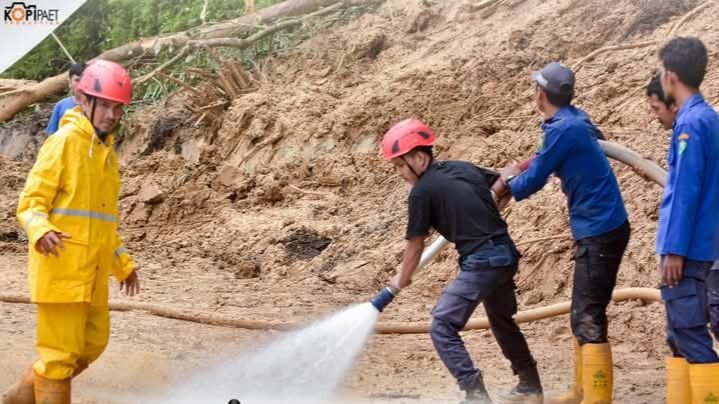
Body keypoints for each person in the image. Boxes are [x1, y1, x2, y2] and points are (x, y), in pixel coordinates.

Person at [2, 60, 140, 404]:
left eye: (117, 107)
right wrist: (40, 229)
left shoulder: (106, 155)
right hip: (61, 269)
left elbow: (103, 222)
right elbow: (31, 202)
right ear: (85, 101)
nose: (111, 114)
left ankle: (20, 397)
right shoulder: (63, 142)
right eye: (105, 105)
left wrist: (123, 264)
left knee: (94, 344)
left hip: (92, 274)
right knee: (60, 357)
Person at [494, 62, 630, 404]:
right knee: (581, 312)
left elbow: (536, 177)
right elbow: (572, 143)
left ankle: (596, 398)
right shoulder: (573, 120)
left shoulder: (563, 130)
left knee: (588, 316)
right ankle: (580, 392)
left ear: (541, 93)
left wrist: (508, 182)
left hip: (601, 231)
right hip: (598, 228)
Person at [382, 118, 542, 404]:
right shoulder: (462, 168)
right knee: (501, 320)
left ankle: (475, 394)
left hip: (482, 262)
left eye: (399, 166)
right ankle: (530, 386)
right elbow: (501, 183)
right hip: (505, 254)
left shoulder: (421, 192)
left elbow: (415, 245)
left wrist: (401, 278)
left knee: (442, 327)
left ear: (419, 158)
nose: (399, 173)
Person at [656, 36, 719, 403]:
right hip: (704, 242)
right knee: (683, 329)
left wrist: (674, 249)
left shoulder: (690, 124)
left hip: (688, 247)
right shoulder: (708, 118)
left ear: (671, 76)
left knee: (690, 330)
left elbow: (685, 191)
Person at [46, 62, 86, 135]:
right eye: (77, 80)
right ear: (70, 83)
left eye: (85, 80)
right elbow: (51, 136)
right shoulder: (61, 106)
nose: (81, 84)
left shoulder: (97, 106)